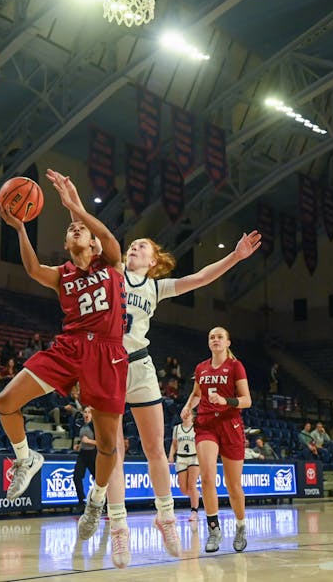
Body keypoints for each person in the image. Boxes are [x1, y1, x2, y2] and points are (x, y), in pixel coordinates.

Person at [99, 219, 261, 560]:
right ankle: (118, 527)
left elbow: (200, 277)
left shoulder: (156, 288)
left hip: (140, 365)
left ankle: (166, 517)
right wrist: (73, 207)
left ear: (153, 261)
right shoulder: (114, 272)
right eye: (132, 245)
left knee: (154, 449)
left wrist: (235, 257)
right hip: (108, 364)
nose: (134, 248)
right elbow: (93, 242)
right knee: (113, 449)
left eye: (142, 246)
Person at [0, 169, 128, 567]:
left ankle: (96, 501)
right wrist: (20, 228)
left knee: (109, 445)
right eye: (70, 229)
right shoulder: (62, 275)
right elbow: (33, 270)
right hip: (69, 348)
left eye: (80, 228)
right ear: (67, 245)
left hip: (108, 354)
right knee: (5, 401)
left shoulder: (111, 263)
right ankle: (26, 458)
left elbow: (106, 235)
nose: (75, 229)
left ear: (92, 240)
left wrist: (75, 206)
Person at [181, 326, 252, 554]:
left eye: (220, 337)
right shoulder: (201, 368)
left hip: (230, 425)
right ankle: (214, 529)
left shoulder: (235, 366)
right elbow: (197, 394)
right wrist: (187, 407)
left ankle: (240, 527)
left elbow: (246, 400)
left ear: (228, 342)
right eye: (212, 337)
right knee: (207, 478)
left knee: (233, 486)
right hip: (206, 425)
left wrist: (225, 401)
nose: (215, 340)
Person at [168, 408, 200, 519]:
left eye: (188, 413)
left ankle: (194, 511)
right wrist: (171, 455)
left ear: (193, 416)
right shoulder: (177, 428)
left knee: (191, 485)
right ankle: (195, 494)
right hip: (181, 458)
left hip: (194, 457)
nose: (186, 415)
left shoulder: (196, 428)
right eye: (184, 413)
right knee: (183, 489)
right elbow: (174, 444)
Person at [73, 405, 97, 514]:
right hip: (83, 454)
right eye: (85, 412)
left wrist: (89, 441)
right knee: (76, 477)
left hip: (93, 454)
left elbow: (102, 443)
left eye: (89, 412)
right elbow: (82, 440)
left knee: (99, 480)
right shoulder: (81, 425)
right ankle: (81, 502)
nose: (86, 414)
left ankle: (101, 503)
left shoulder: (95, 426)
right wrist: (79, 445)